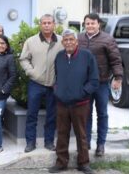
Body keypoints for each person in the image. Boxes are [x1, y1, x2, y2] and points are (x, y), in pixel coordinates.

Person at [49, 29, 99, 174]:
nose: (69, 42)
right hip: (62, 104)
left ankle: (83, 163)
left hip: (80, 104)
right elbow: (56, 77)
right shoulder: (59, 56)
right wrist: (57, 91)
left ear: (77, 41)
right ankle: (61, 163)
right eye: (66, 40)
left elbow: (94, 80)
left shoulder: (87, 56)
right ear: (62, 42)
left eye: (71, 39)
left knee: (81, 134)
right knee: (62, 134)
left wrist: (82, 93)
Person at [78, 13, 123, 157]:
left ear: (99, 24)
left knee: (102, 114)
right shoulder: (79, 38)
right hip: (84, 84)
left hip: (101, 83)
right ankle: (86, 143)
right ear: (84, 25)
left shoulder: (107, 39)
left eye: (92, 23)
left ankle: (101, 144)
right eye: (87, 23)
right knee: (86, 114)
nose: (90, 26)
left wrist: (118, 78)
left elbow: (116, 60)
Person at [19, 14, 63, 153]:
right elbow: (23, 59)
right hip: (36, 83)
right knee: (32, 114)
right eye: (44, 23)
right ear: (40, 24)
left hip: (54, 84)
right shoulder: (31, 41)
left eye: (49, 23)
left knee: (52, 115)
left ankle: (49, 142)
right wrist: (32, 72)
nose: (46, 25)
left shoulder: (61, 41)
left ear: (54, 24)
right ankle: (30, 142)